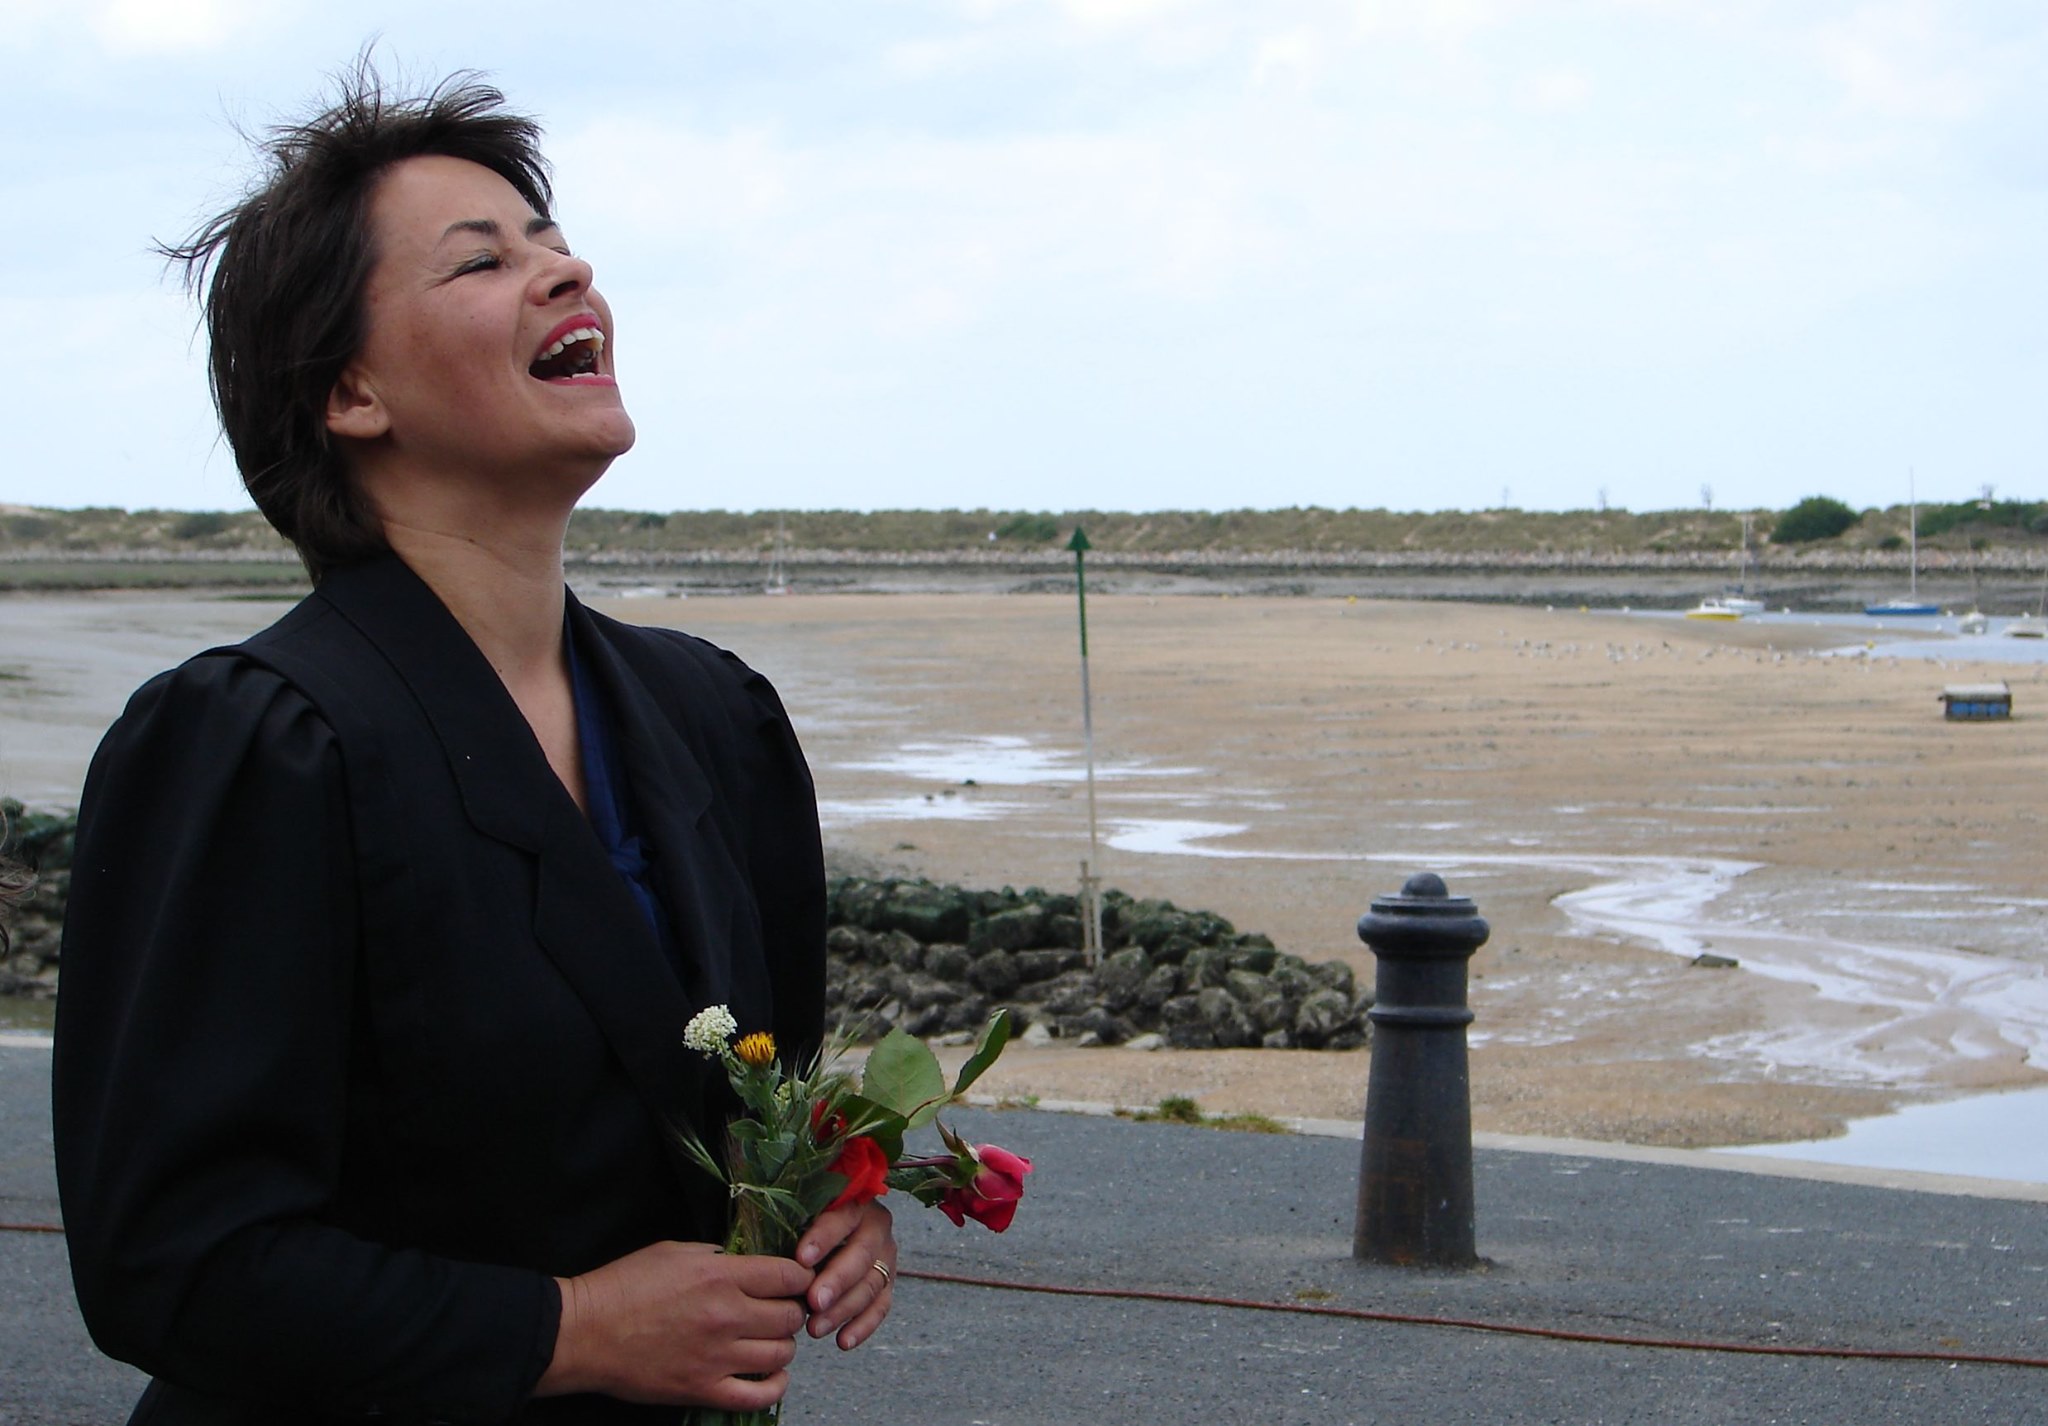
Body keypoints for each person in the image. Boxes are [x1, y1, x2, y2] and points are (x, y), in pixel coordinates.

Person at [51, 63, 895, 1423]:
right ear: (349, 392)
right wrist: (568, 1328)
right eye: (482, 260)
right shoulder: (258, 746)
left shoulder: (716, 720)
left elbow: (763, 1100)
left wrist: (831, 1210)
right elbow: (170, 1263)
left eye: (553, 241)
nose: (565, 274)